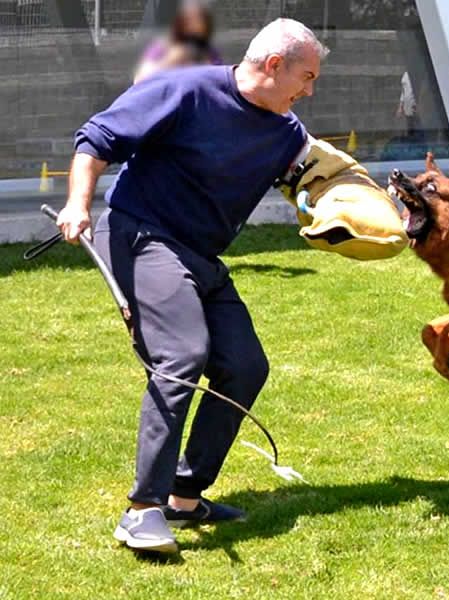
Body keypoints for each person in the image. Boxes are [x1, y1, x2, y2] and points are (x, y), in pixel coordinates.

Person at [56, 18, 327, 554]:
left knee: (245, 364)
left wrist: (359, 215)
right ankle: (141, 512)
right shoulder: (185, 90)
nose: (309, 91)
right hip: (141, 233)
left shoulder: (286, 131)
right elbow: (97, 138)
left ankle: (184, 495)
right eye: (307, 76)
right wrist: (77, 203)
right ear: (274, 65)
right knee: (182, 353)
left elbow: (324, 178)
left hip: (200, 254)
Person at [133, 0, 223, 84]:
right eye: (188, 20)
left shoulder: (209, 51)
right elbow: (138, 80)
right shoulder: (163, 46)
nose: (193, 26)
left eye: (199, 21)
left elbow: (219, 81)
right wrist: (172, 59)